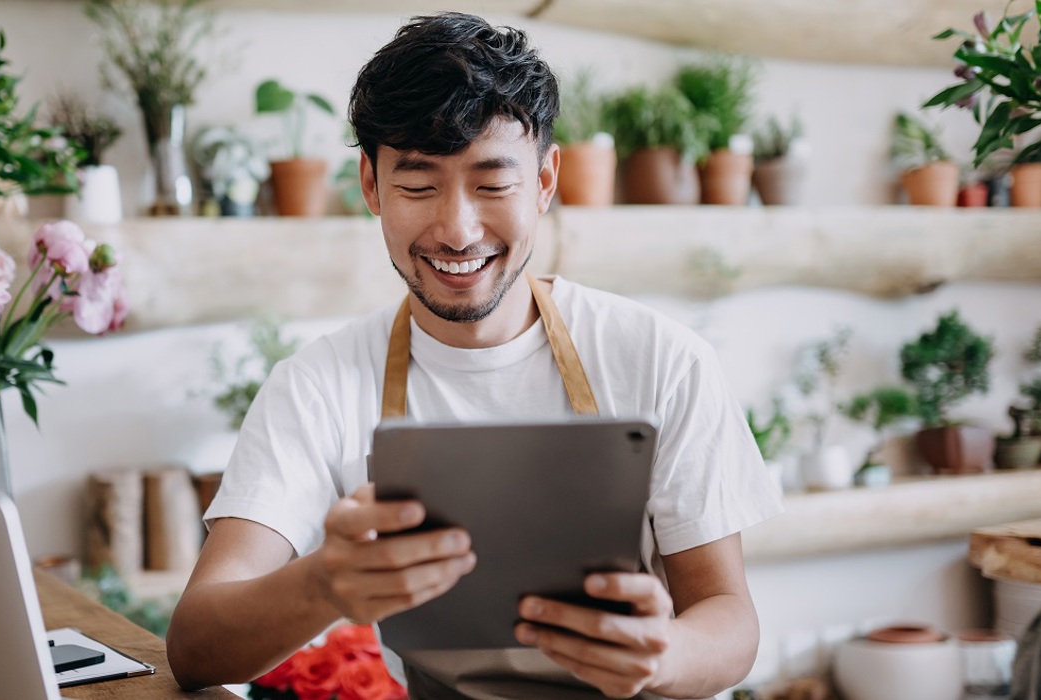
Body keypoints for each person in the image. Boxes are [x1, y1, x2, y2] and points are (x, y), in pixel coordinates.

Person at [166, 12, 783, 700]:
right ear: (370, 185)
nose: (458, 230)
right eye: (419, 185)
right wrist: (322, 583)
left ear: (547, 180)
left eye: (493, 184)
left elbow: (731, 622)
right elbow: (194, 647)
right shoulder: (317, 386)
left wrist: (662, 658)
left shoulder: (662, 359)